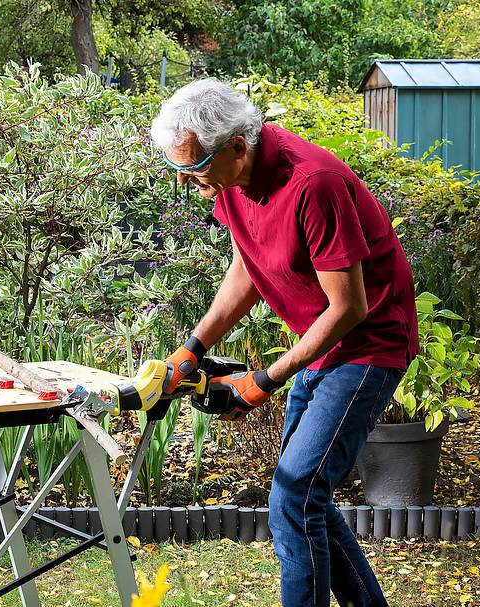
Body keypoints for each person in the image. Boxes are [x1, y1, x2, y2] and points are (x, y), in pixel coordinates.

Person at [150, 78, 418, 607]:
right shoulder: (231, 183)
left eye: (192, 167)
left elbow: (350, 307)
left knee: (296, 493)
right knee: (302, 497)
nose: (186, 181)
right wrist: (192, 350)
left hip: (367, 345)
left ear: (237, 147)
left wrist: (264, 379)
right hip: (321, 341)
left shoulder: (313, 183)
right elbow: (246, 270)